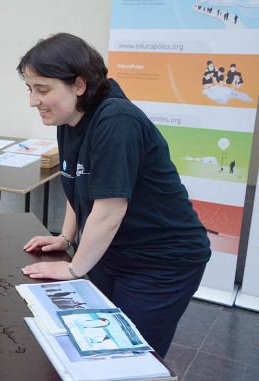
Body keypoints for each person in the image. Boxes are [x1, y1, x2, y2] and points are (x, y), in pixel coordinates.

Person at [18, 33, 211, 357]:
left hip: (161, 261)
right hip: (113, 251)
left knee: (126, 358)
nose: (33, 101)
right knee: (93, 344)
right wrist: (66, 238)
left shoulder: (116, 121)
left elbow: (109, 211)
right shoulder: (69, 117)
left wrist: (73, 269)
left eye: (43, 89)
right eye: (30, 89)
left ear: (78, 85)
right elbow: (76, 181)